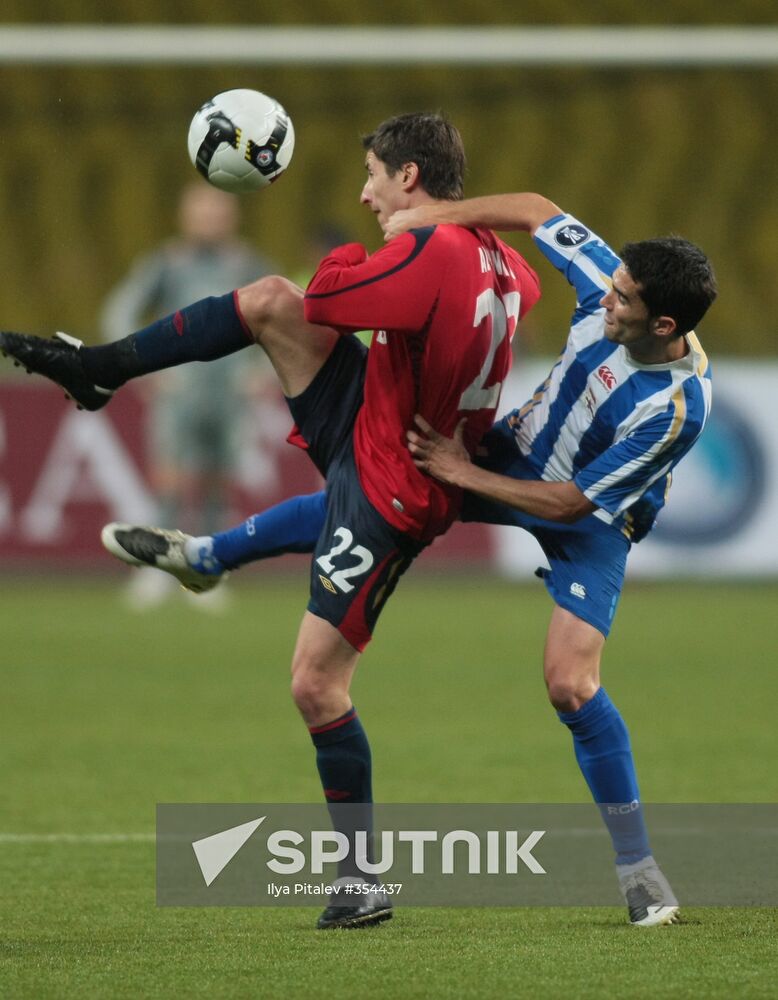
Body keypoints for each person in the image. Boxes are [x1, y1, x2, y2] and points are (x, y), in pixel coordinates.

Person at [97, 192, 717, 928]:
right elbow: (534, 207)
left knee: (571, 686)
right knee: (374, 491)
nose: (607, 298)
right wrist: (432, 218)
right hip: (513, 454)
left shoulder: (678, 408)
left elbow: (572, 504)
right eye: (611, 287)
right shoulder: (608, 279)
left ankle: (639, 871)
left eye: (623, 300)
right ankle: (206, 556)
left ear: (664, 325)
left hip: (591, 519)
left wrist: (459, 471)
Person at [0, 115, 541, 929]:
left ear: (410, 178)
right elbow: (505, 297)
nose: (365, 193)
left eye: (374, 176)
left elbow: (333, 294)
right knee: (268, 302)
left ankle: (360, 879)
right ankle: (101, 372)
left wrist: (353, 251)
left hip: (396, 483)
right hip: (380, 417)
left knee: (316, 686)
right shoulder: (504, 260)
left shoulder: (432, 251)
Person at [100, 181, 278, 608]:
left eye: (217, 213)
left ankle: (207, 569)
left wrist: (261, 371)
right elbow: (120, 310)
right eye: (202, 213)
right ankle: (156, 569)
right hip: (180, 390)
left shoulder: (248, 264)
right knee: (169, 480)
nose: (210, 221)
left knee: (219, 483)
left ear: (231, 218)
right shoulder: (167, 264)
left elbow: (286, 318)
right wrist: (138, 365)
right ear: (185, 217)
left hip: (228, 393)